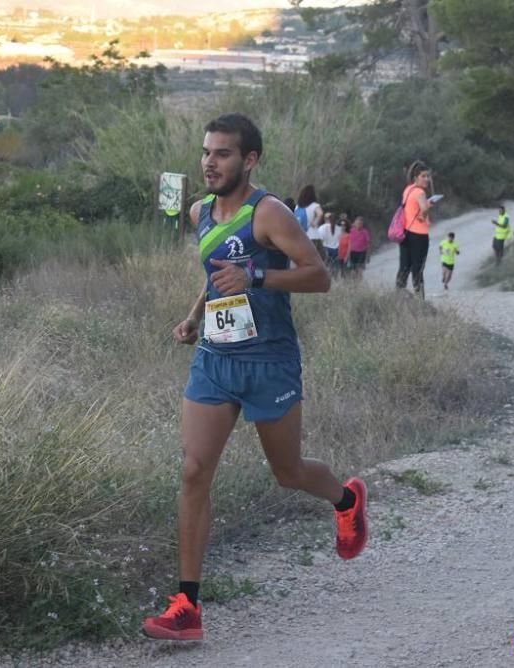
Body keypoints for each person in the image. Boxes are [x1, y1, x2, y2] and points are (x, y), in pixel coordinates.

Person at [142, 113, 369, 642]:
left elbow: (318, 276)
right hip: (216, 358)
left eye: (222, 154)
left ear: (249, 160)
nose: (208, 162)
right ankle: (187, 607)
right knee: (194, 470)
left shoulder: (270, 214)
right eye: (205, 152)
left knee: (287, 472)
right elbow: (215, 270)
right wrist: (196, 314)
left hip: (268, 360)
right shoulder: (200, 210)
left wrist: (258, 275)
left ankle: (346, 500)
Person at [395, 161, 436, 299]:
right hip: (419, 236)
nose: (427, 179)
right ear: (416, 177)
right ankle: (420, 300)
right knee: (418, 269)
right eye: (423, 176)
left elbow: (413, 208)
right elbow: (423, 209)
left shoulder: (408, 190)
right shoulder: (420, 192)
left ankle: (397, 295)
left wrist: (425, 207)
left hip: (406, 233)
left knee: (404, 266)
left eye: (428, 176)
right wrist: (423, 215)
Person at [318, 211, 344, 276]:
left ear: (328, 219)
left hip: (326, 249)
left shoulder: (322, 228)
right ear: (337, 220)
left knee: (326, 268)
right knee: (335, 269)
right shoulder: (339, 228)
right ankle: (334, 281)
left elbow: (320, 241)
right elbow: (341, 241)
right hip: (336, 250)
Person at [348, 215, 371, 279]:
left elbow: (368, 244)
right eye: (358, 223)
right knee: (353, 270)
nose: (359, 225)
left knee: (360, 269)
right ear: (354, 223)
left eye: (361, 224)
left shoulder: (365, 232)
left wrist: (368, 256)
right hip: (352, 252)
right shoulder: (351, 231)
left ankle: (359, 284)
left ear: (363, 224)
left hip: (362, 253)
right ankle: (353, 283)